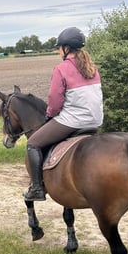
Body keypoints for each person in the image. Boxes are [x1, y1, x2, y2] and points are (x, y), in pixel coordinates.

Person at [23, 26, 103, 201]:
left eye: (60, 48)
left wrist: (50, 115)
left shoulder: (61, 69)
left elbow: (55, 100)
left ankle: (37, 188)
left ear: (66, 49)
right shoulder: (91, 67)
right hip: (95, 120)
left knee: (33, 143)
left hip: (74, 121)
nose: (59, 51)